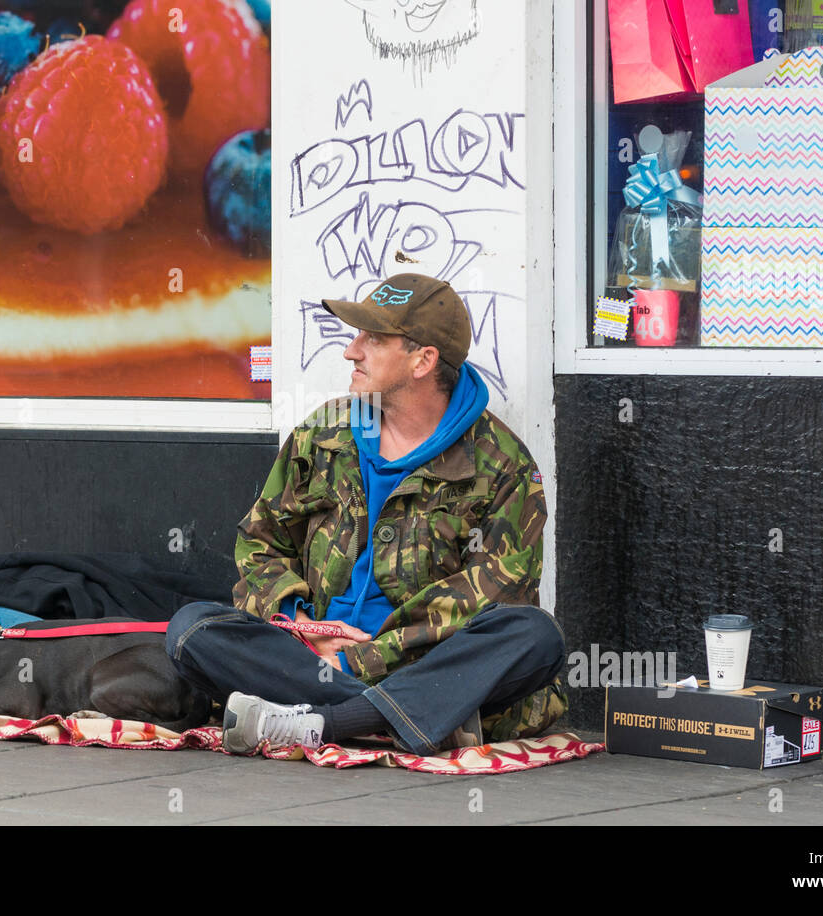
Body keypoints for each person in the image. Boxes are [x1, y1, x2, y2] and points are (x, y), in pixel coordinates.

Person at [165, 273, 567, 756]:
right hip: (311, 655)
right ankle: (404, 718)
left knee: (534, 634)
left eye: (373, 338)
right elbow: (260, 540)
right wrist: (304, 630)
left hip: (422, 662)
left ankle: (324, 721)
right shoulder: (324, 432)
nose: (351, 351)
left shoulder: (502, 465)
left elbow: (493, 595)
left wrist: (361, 661)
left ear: (424, 360)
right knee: (191, 629)